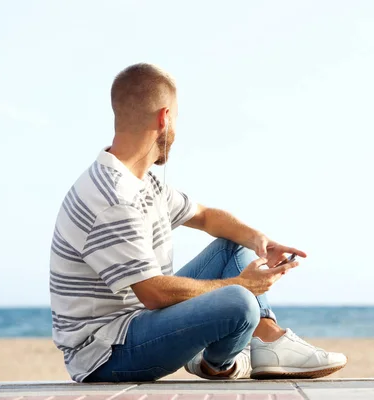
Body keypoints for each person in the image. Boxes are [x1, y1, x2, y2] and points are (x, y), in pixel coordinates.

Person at [49, 63, 347, 383]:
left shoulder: (141, 182)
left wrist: (261, 241)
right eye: (176, 118)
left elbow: (206, 217)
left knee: (235, 247)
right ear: (165, 119)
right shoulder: (112, 197)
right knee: (239, 301)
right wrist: (244, 285)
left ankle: (268, 341)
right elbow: (153, 294)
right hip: (106, 351)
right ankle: (218, 364)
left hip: (142, 319)